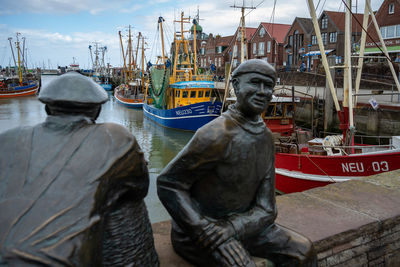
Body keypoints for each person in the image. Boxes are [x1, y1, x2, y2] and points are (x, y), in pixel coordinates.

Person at [157, 59, 316, 267]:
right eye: (255, 83)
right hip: (201, 231)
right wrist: (204, 229)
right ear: (236, 85)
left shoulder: (266, 138)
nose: (262, 91)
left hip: (242, 227)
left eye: (268, 86)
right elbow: (169, 184)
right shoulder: (216, 134)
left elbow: (267, 209)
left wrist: (232, 228)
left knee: (305, 252)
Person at [0, 72, 159, 266]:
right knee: (125, 199)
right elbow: (140, 186)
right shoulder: (115, 137)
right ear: (96, 111)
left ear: (48, 108)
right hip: (64, 260)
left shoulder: (8, 139)